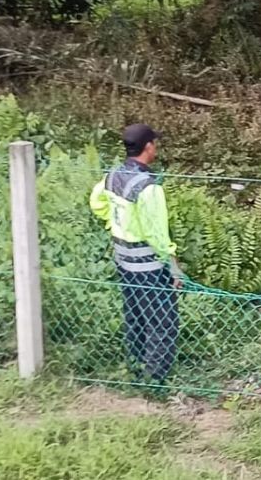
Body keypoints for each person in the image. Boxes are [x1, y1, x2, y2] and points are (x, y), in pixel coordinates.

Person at [89, 124, 183, 387]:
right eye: (155, 143)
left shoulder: (112, 175)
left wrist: (115, 223)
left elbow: (96, 202)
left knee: (136, 317)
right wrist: (173, 267)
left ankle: (135, 368)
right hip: (149, 266)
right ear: (148, 147)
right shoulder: (148, 187)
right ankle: (154, 382)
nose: (156, 147)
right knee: (163, 323)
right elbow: (157, 234)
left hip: (123, 260)